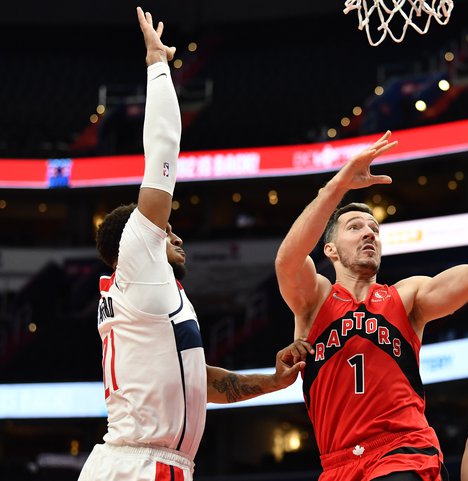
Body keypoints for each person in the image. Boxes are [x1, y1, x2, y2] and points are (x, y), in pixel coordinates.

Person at [78, 8, 309, 481]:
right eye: (164, 229)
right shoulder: (138, 264)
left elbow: (198, 382)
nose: (174, 233)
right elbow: (163, 149)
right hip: (136, 466)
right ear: (139, 240)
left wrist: (273, 382)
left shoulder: (152, 297)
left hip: (150, 464)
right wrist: (158, 65)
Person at [275, 130, 468, 481]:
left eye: (374, 229)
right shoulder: (315, 299)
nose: (369, 233)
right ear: (331, 251)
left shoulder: (407, 296)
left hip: (403, 451)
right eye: (355, 227)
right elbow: (288, 260)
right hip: (338, 464)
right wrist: (338, 185)